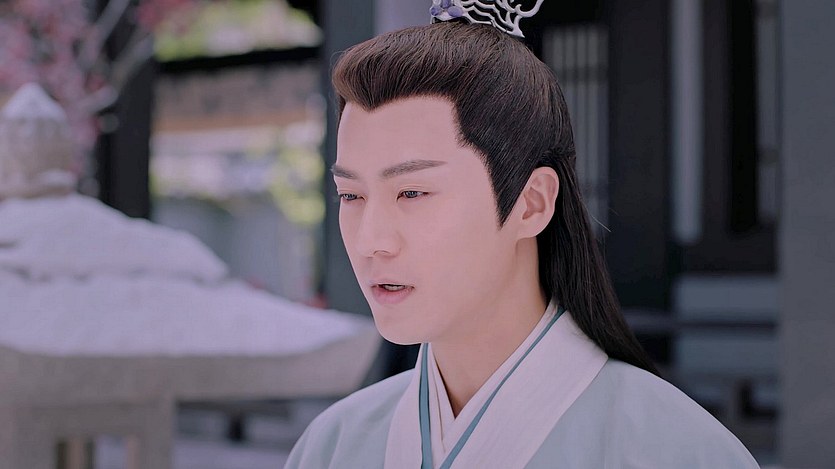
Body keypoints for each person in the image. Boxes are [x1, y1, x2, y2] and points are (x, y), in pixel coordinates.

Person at [286, 6, 760, 468]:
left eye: (412, 192)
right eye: (351, 195)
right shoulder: (333, 445)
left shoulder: (676, 450)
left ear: (531, 203)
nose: (371, 241)